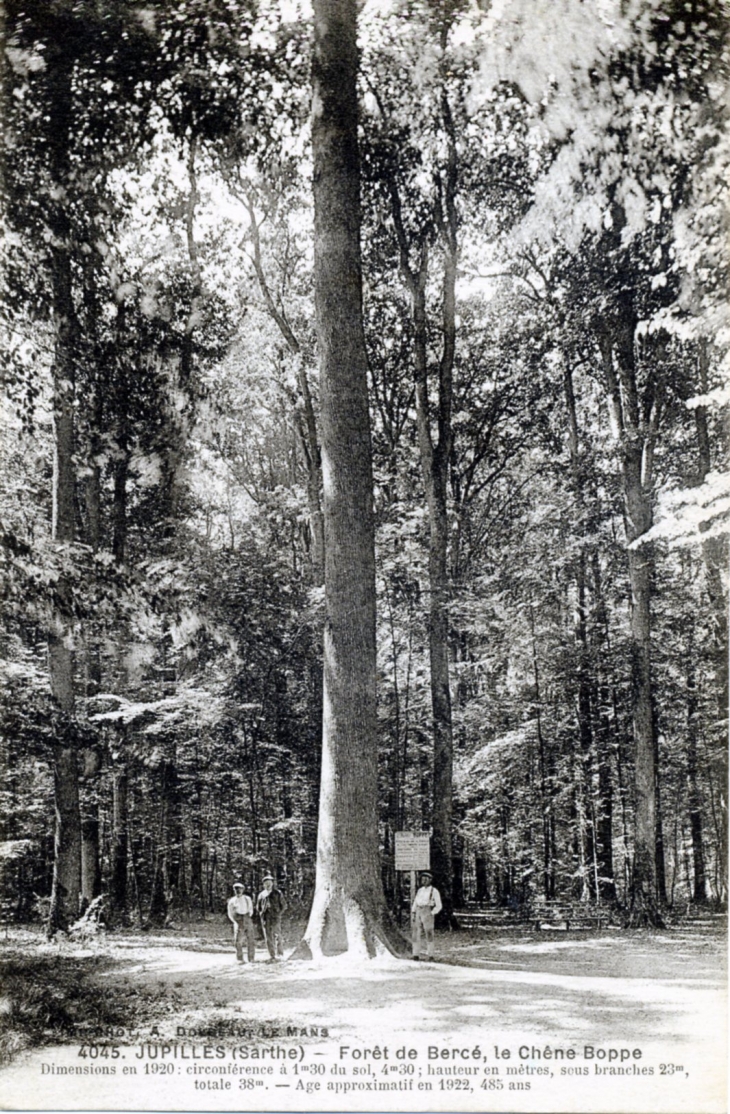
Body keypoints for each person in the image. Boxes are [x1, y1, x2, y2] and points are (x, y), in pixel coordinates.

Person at [411, 870, 442, 961]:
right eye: (422, 879)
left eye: (426, 879)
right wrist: (413, 912)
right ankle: (416, 954)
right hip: (418, 911)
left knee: (429, 933)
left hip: (427, 911)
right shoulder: (420, 890)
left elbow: (439, 905)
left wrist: (432, 913)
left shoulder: (434, 891)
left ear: (430, 880)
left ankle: (430, 955)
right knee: (416, 933)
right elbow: (415, 902)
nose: (423, 881)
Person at [256, 872, 287, 961]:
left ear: (272, 883)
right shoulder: (261, 895)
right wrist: (262, 913)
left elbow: (284, 905)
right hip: (266, 918)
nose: (268, 885)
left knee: (277, 934)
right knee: (268, 936)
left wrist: (278, 913)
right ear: (263, 885)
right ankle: (272, 955)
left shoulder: (277, 893)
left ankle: (280, 953)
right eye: (266, 883)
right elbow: (258, 907)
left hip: (275, 916)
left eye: (269, 883)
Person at [227, 881, 255, 963]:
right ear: (234, 891)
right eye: (236, 890)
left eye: (240, 889)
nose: (238, 891)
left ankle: (251, 958)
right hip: (238, 920)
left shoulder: (247, 899)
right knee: (238, 940)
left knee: (251, 939)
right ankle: (240, 959)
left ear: (243, 890)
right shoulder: (232, 901)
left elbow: (251, 909)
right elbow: (230, 913)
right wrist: (235, 921)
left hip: (247, 918)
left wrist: (247, 918)